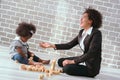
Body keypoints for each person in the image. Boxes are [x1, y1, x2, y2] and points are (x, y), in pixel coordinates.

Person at [40, 7, 102, 77]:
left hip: (90, 67)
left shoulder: (96, 33)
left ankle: (74, 66)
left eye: (84, 17)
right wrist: (52, 45)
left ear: (90, 21)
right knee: (60, 61)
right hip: (83, 59)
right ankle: (74, 64)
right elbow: (69, 45)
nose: (81, 19)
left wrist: (72, 62)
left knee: (67, 68)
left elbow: (91, 53)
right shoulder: (82, 32)